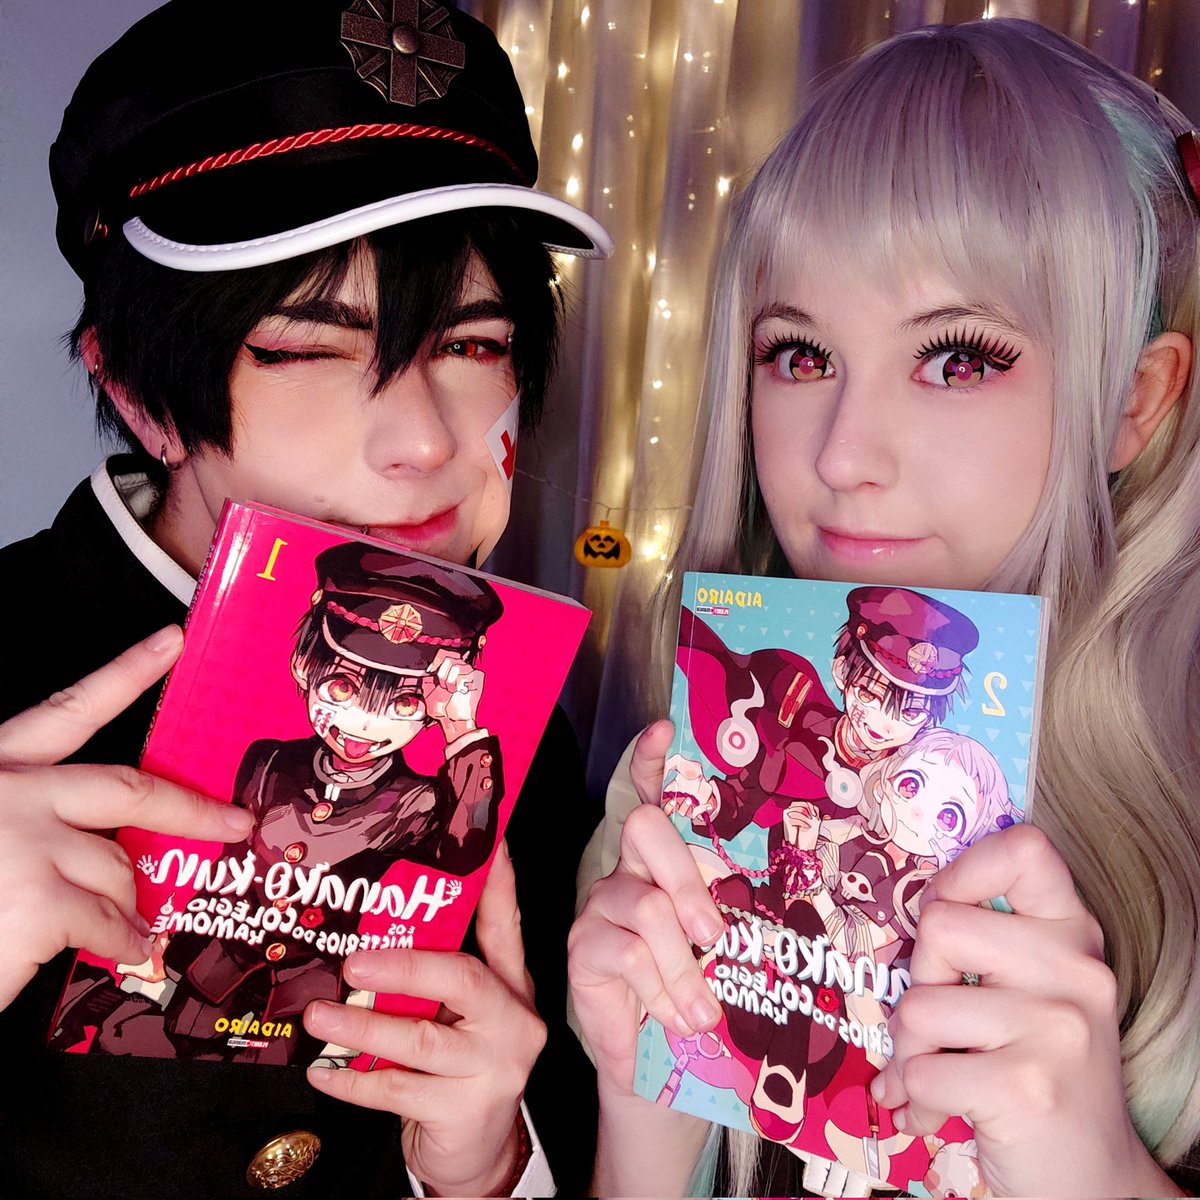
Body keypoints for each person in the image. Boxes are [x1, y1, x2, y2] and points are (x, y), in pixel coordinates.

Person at [569, 16, 1200, 1198]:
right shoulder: (678, 794)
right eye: (800, 356)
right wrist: (643, 1100)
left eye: (958, 358)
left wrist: (1098, 1171)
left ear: (1136, 397)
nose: (843, 456)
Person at [0, 1, 611, 1196]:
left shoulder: (505, 708)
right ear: (137, 393)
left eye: (473, 345)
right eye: (307, 348)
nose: (423, 441)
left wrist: (488, 1166)